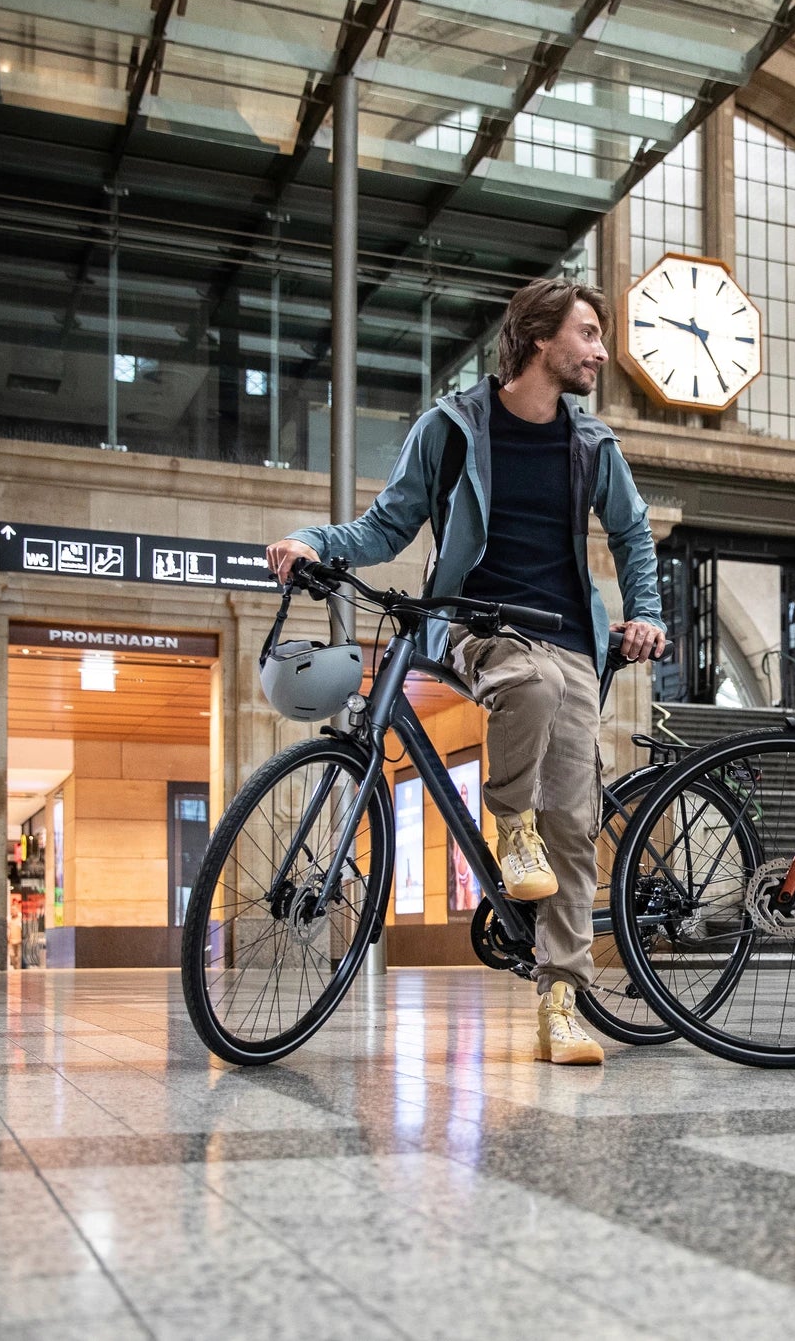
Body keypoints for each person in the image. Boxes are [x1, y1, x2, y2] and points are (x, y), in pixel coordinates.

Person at [266, 278, 667, 1066]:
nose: (600, 351)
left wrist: (645, 609)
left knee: (574, 829)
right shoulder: (452, 428)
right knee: (530, 685)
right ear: (540, 339)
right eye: (587, 333)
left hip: (573, 640)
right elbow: (387, 524)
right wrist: (315, 538)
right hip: (479, 629)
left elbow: (634, 533)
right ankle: (509, 820)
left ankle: (560, 1001)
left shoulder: (593, 446)